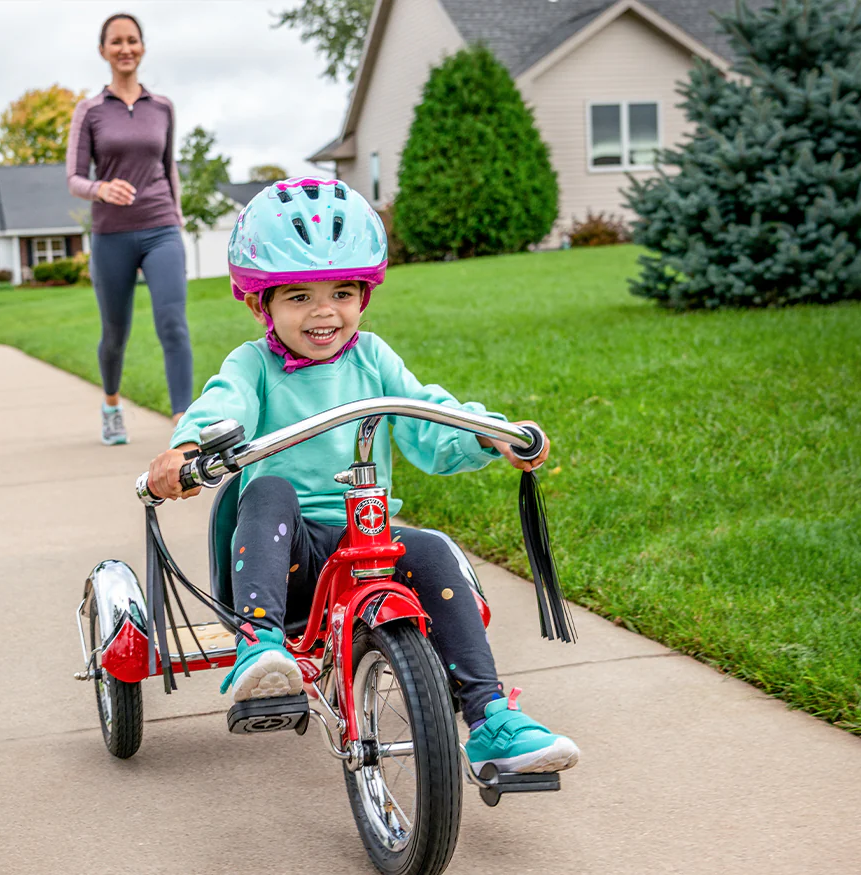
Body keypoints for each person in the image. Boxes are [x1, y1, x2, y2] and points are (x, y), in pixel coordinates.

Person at [146, 178, 579, 775]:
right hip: (288, 554)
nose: (325, 312)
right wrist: (189, 449)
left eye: (342, 292)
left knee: (429, 552)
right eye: (298, 296)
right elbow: (226, 403)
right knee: (269, 489)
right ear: (259, 304)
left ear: (364, 295)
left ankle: (488, 716)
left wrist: (488, 433)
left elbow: (427, 411)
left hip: (363, 540)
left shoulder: (374, 357)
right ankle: (261, 645)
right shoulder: (254, 364)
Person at [67, 12, 192, 445]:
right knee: (115, 332)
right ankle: (112, 405)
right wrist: (101, 189)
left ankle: (183, 421)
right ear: (103, 50)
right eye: (116, 41)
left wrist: (176, 218)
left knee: (173, 322)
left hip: (160, 226)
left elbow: (168, 167)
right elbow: (74, 178)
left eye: (133, 40)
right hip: (111, 235)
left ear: (142, 47)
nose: (125, 48)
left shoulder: (163, 108)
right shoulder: (90, 111)